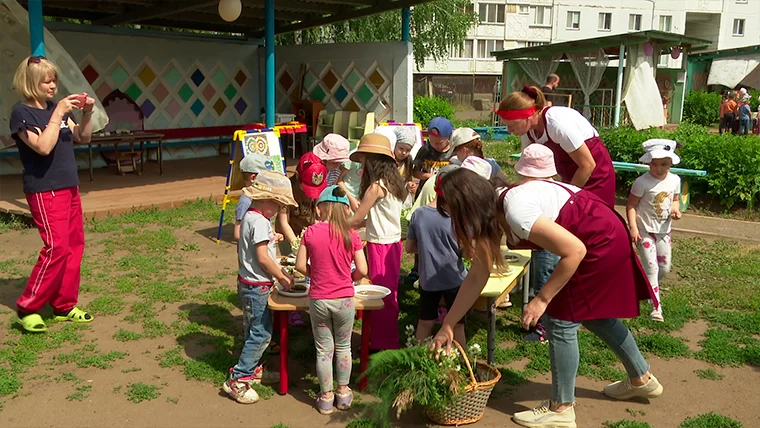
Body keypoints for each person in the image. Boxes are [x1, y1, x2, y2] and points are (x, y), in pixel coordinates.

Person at [431, 147, 662, 428]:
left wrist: (542, 298)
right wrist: (449, 325)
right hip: (598, 234)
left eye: (454, 213)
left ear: (467, 207)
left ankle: (561, 408)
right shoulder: (496, 210)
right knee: (594, 315)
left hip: (599, 240)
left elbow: (574, 251)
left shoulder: (516, 210)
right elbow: (477, 276)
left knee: (560, 318)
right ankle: (641, 378)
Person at [10, 56, 96, 332]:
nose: (52, 85)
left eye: (54, 79)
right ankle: (28, 308)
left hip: (69, 186)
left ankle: (64, 305)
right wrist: (57, 113)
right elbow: (43, 147)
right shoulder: (22, 113)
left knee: (73, 247)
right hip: (45, 189)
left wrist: (87, 114)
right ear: (31, 82)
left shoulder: (57, 109)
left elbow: (83, 137)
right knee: (56, 247)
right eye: (47, 80)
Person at [224, 170, 297, 404]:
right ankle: (238, 378)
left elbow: (255, 246)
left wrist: (270, 236)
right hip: (257, 287)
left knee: (252, 329)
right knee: (261, 333)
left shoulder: (252, 217)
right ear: (265, 200)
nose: (278, 210)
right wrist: (283, 276)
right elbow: (264, 258)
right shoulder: (259, 220)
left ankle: (252, 368)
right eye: (277, 205)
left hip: (249, 283)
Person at [295, 185, 368, 415]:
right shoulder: (352, 234)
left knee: (324, 349)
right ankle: (343, 394)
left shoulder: (310, 233)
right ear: (346, 210)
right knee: (344, 346)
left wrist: (314, 273)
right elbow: (363, 269)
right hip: (345, 298)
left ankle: (326, 397)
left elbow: (298, 266)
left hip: (319, 298)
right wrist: (351, 277)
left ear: (320, 209)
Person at [405, 160, 492, 344]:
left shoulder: (419, 214)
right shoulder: (459, 217)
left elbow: (410, 248)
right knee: (457, 324)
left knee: (424, 322)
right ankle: (461, 361)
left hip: (428, 278)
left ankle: (417, 358)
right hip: (455, 278)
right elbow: (469, 252)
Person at [347, 134, 405, 351]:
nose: (362, 165)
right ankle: (386, 338)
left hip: (380, 243)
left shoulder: (375, 187)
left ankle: (382, 343)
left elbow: (357, 218)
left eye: (363, 159)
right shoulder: (394, 181)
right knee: (390, 294)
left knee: (380, 295)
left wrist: (334, 226)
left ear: (372, 160)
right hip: (393, 243)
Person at [626, 139, 682, 322]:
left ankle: (645, 287)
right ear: (648, 162)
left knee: (664, 268)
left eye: (663, 164)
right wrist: (633, 228)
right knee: (652, 267)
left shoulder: (675, 180)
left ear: (671, 163)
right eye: (654, 164)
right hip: (645, 231)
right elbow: (631, 206)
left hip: (664, 231)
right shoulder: (642, 182)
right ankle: (656, 308)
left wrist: (675, 209)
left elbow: (675, 199)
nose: (658, 168)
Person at [276, 152, 327, 326]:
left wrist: (313, 234)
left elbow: (316, 216)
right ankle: (290, 308)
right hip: (287, 234)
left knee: (308, 270)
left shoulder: (318, 186)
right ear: (297, 176)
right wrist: (296, 244)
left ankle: (309, 301)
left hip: (307, 232)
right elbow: (284, 222)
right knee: (291, 270)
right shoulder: (287, 189)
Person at [337, 127, 396, 213]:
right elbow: (339, 180)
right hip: (348, 199)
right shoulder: (355, 158)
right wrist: (351, 199)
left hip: (363, 200)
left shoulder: (377, 165)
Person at [234, 153, 273, 241]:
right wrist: (259, 240)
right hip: (252, 252)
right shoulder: (245, 202)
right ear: (253, 178)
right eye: (267, 177)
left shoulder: (261, 199)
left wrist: (272, 234)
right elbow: (237, 233)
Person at [413, 116, 454, 193]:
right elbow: (415, 172)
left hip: (446, 192)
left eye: (439, 143)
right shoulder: (425, 150)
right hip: (425, 191)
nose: (435, 145)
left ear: (449, 138)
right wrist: (427, 176)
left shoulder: (453, 152)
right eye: (431, 141)